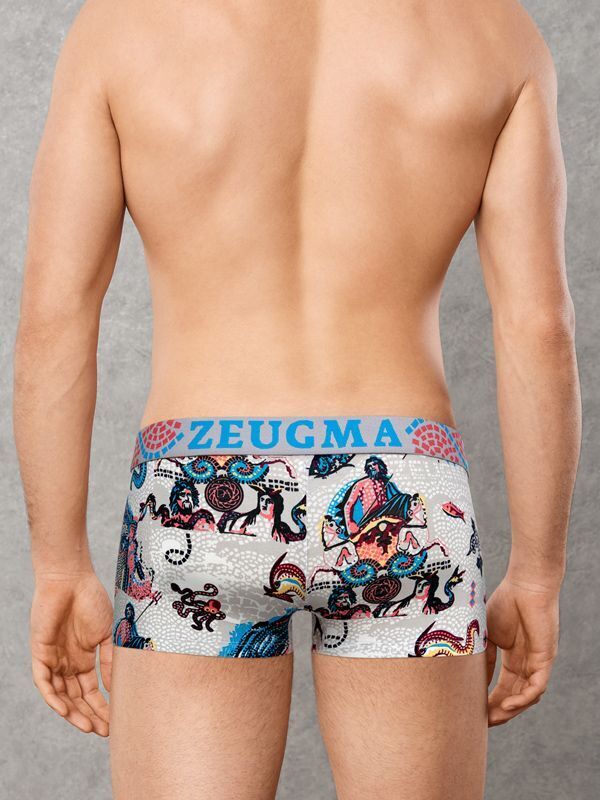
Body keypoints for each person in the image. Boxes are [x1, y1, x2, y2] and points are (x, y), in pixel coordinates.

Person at [13, 1, 581, 798]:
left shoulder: (120, 27)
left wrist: (58, 564)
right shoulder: (494, 31)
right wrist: (540, 573)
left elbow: (55, 318)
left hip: (198, 485)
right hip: (403, 490)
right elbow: (538, 327)